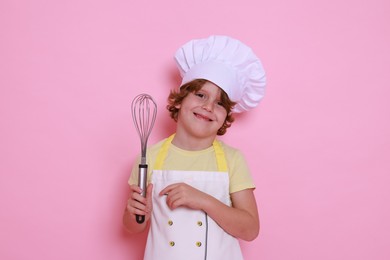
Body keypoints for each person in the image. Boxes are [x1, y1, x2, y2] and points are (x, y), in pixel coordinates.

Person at [123, 35, 266, 260]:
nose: (208, 106)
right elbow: (133, 227)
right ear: (179, 101)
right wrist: (135, 214)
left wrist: (203, 200)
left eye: (220, 103)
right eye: (200, 95)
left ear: (226, 116)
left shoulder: (232, 159)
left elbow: (250, 229)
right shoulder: (149, 157)